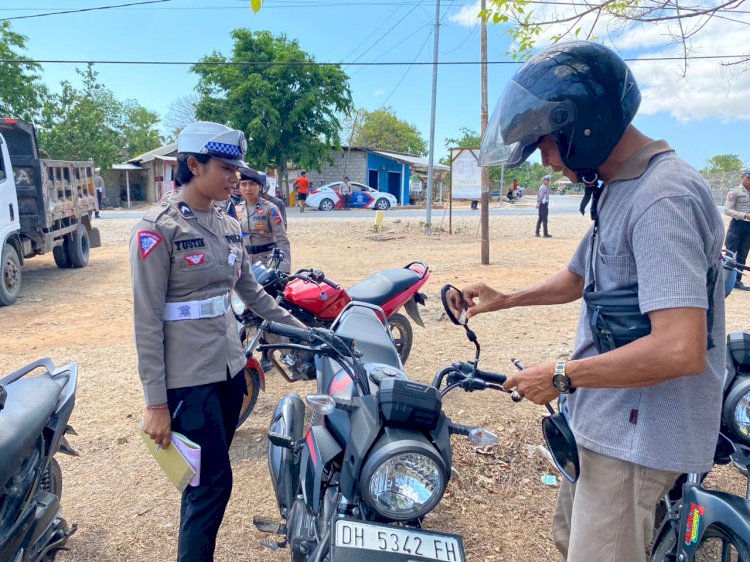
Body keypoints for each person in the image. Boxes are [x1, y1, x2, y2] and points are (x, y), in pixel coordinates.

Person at [461, 41, 725, 561]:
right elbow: (582, 277)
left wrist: (560, 374)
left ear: (582, 128)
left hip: (639, 437)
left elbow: (680, 349)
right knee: (571, 541)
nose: (545, 161)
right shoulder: (620, 187)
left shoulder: (662, 198)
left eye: (543, 144)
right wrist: (505, 298)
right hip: (606, 422)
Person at [130, 121, 304, 562]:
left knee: (202, 481)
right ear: (193, 165)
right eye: (226, 168)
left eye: (238, 170)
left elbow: (252, 294)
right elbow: (147, 320)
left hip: (229, 371)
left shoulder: (228, 225)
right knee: (210, 486)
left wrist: (306, 330)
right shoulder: (158, 229)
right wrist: (155, 403)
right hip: (187, 380)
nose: (236, 178)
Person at [236, 167, 292, 273]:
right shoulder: (237, 209)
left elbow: (282, 239)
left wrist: (284, 268)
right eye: (244, 184)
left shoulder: (270, 209)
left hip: (267, 263)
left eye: (252, 184)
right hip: (245, 263)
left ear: (260, 186)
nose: (248, 188)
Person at [724, 168, 750, 291]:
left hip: (748, 227)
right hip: (737, 225)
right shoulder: (735, 192)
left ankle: (737, 281)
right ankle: (724, 279)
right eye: (748, 178)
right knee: (730, 253)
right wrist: (744, 215)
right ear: (742, 177)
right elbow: (727, 210)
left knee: (743, 255)